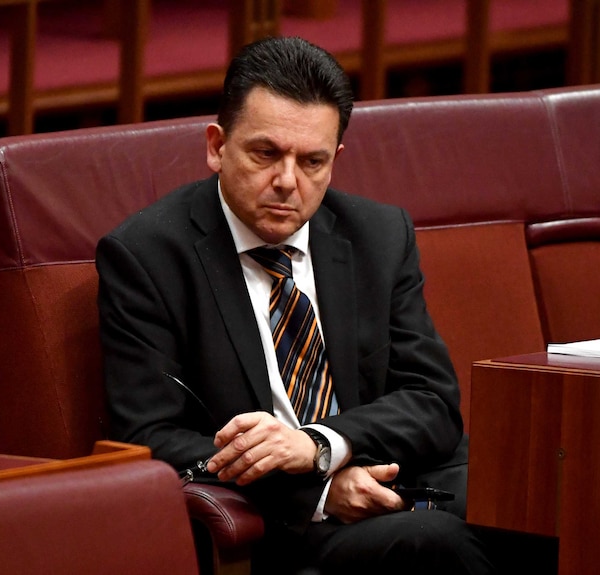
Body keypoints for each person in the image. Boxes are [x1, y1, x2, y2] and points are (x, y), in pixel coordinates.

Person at [96, 36, 493, 574]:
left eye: (312, 162)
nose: (288, 182)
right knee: (431, 541)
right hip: (281, 522)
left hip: (385, 474)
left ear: (336, 160)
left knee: (547, 499)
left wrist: (320, 448)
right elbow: (149, 439)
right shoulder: (147, 257)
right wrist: (317, 492)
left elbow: (433, 401)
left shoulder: (378, 235)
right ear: (217, 146)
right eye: (266, 154)